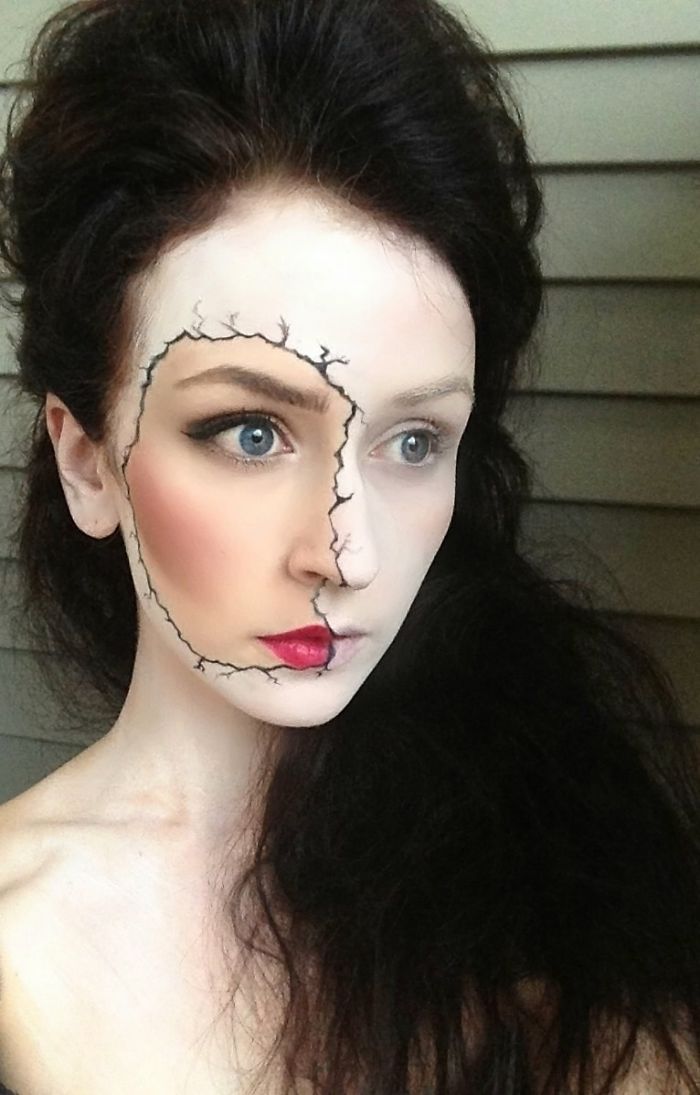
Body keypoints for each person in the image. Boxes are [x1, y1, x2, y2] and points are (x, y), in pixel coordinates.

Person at [0, 0, 699, 1092]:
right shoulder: (22, 935)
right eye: (250, 432)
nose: (347, 552)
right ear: (88, 460)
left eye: (413, 441)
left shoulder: (544, 846)